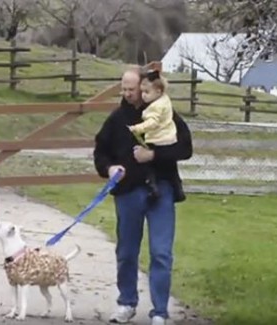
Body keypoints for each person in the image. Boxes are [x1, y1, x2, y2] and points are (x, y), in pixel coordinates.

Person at [92, 66, 193, 325]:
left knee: (161, 252)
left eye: (132, 89)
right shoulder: (116, 120)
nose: (127, 94)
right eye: (123, 89)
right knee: (126, 251)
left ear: (146, 87)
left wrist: (154, 155)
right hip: (128, 192)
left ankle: (159, 311)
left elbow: (185, 148)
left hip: (161, 189)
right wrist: (109, 168)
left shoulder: (165, 114)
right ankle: (126, 303)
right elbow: (100, 151)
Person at [127, 69, 178, 202]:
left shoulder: (155, 107)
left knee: (147, 163)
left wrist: (137, 129)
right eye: (142, 91)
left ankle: (153, 186)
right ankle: (174, 187)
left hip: (159, 138)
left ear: (158, 91)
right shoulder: (165, 101)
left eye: (147, 92)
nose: (143, 95)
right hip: (169, 136)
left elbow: (152, 123)